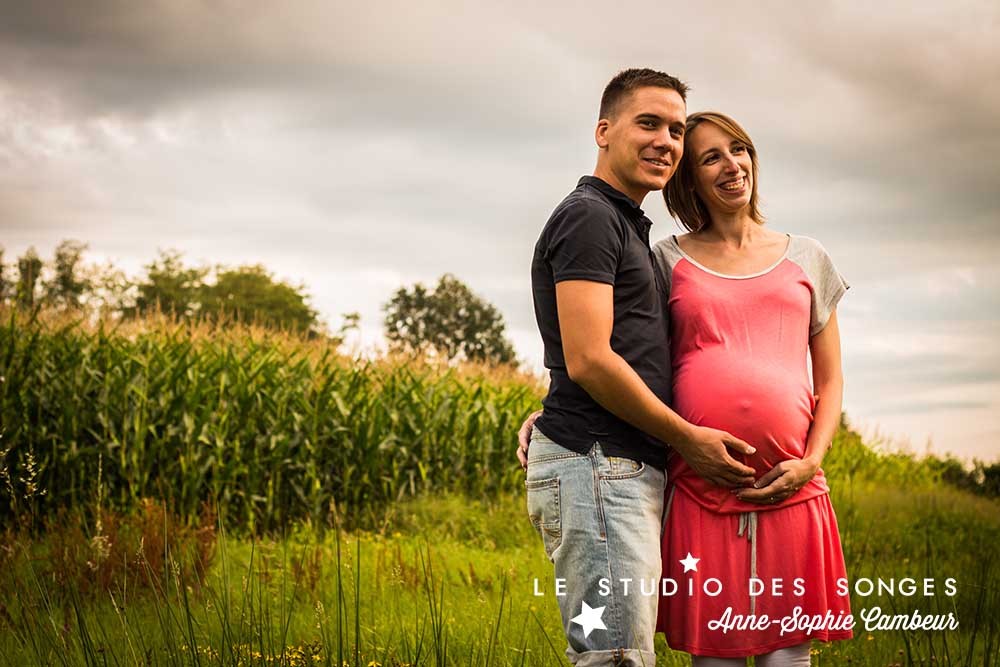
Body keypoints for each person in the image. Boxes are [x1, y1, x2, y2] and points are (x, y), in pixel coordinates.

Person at [524, 69, 758, 667]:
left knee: (620, 652)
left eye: (676, 130)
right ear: (604, 131)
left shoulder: (627, 225)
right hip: (600, 466)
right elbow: (590, 358)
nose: (666, 141)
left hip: (614, 465)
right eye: (648, 123)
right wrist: (687, 438)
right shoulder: (589, 217)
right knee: (615, 656)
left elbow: (609, 352)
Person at [651, 111, 853, 664]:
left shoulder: (807, 256)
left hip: (794, 491)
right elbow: (628, 360)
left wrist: (811, 462)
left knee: (788, 659)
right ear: (689, 180)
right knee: (714, 657)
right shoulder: (665, 258)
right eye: (710, 157)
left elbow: (831, 379)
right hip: (699, 489)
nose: (731, 164)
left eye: (737, 149)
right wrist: (547, 413)